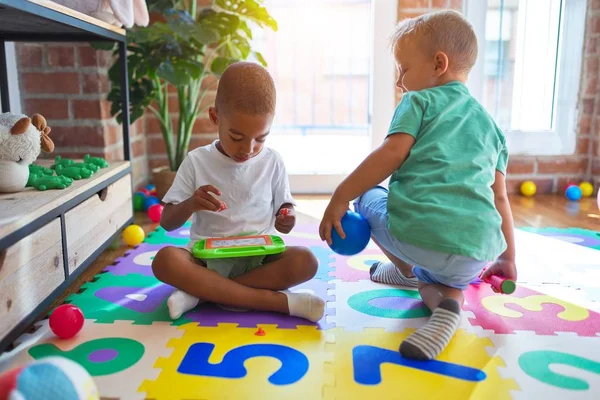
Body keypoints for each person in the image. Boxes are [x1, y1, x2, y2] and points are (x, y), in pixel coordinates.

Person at [319, 10, 517, 360]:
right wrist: (507, 258)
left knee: (368, 196)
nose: (399, 82)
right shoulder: (492, 127)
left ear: (438, 64)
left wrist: (341, 195)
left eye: (404, 69)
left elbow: (391, 154)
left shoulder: (419, 101)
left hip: (419, 239)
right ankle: (446, 309)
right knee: (446, 282)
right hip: (476, 255)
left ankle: (408, 268)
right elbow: (499, 197)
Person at [152, 62, 324, 323]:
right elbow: (167, 222)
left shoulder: (273, 162)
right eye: (236, 137)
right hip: (206, 261)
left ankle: (202, 293)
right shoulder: (196, 161)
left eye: (261, 138)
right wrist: (191, 204)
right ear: (214, 117)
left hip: (260, 261)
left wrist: (286, 218)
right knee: (164, 261)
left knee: (307, 261)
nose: (249, 148)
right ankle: (277, 302)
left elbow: (286, 220)